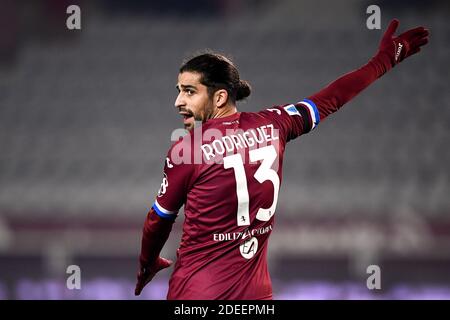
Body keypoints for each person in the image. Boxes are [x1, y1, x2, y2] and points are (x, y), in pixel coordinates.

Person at [134, 19, 429, 299]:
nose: (179, 101)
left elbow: (157, 221)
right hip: (257, 295)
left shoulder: (188, 150)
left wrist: (147, 264)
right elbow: (333, 97)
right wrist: (386, 60)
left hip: (197, 293)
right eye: (179, 92)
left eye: (189, 92)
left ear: (220, 97)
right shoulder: (275, 124)